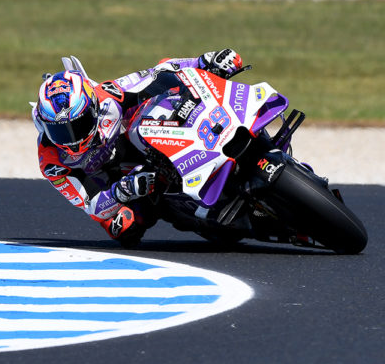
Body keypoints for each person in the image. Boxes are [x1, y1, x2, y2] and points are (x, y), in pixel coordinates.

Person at [34, 49, 246, 247]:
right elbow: (90, 204)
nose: (72, 139)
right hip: (112, 184)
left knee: (164, 104)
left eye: (78, 125)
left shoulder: (109, 97)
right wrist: (123, 191)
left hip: (139, 146)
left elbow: (158, 72)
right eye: (60, 131)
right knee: (124, 228)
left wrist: (204, 61)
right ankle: (193, 217)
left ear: (93, 107)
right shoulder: (51, 161)